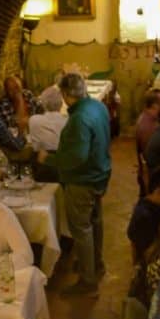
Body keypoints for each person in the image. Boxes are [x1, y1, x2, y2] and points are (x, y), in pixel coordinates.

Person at [37, 73, 112, 297]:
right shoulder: (98, 107)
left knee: (81, 229)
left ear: (67, 95)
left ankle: (88, 282)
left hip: (82, 179)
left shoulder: (79, 119)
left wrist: (48, 159)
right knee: (95, 221)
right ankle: (95, 264)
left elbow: (76, 157)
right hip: (100, 172)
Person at [127, 165, 160, 289]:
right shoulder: (144, 216)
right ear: (158, 191)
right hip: (153, 274)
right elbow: (146, 255)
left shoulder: (157, 206)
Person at [134, 88, 160, 196]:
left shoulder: (149, 118)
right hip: (153, 178)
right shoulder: (148, 126)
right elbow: (152, 157)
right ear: (155, 105)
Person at [28, 86, 68, 152]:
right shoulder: (69, 121)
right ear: (61, 104)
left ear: (43, 104)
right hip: (63, 160)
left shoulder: (33, 120)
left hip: (39, 159)